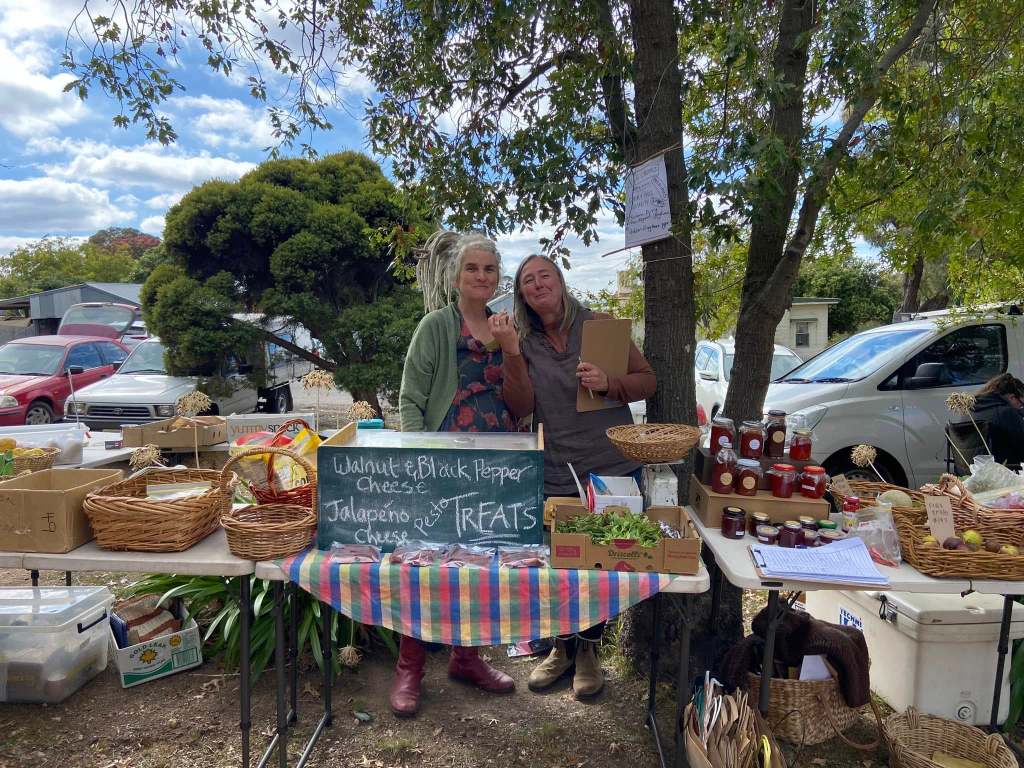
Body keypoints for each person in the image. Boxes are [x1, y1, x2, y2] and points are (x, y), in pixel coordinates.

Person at [496, 254, 657, 698]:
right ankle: (562, 648)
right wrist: (511, 352)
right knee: (562, 564)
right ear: (522, 294)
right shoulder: (523, 341)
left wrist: (609, 383)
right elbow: (520, 406)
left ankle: (588, 651)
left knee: (601, 565)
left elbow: (647, 381)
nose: (537, 284)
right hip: (557, 469)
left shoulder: (600, 327)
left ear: (561, 281)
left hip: (612, 467)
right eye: (527, 280)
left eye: (544, 275)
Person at [393, 231, 524, 717]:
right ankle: (409, 668)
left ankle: (467, 658)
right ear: (455, 276)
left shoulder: (507, 325)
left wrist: (512, 348)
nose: (481, 276)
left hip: (495, 462)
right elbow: (410, 399)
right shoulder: (435, 326)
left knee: (482, 560)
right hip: (442, 460)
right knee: (424, 560)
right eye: (472, 268)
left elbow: (521, 396)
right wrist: (419, 456)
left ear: (497, 278)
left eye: (489, 269)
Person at [961, 373, 1024, 467]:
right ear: (1012, 397)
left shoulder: (969, 411)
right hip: (1003, 471)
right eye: (1021, 404)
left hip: (970, 470)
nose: (1020, 407)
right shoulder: (1006, 413)